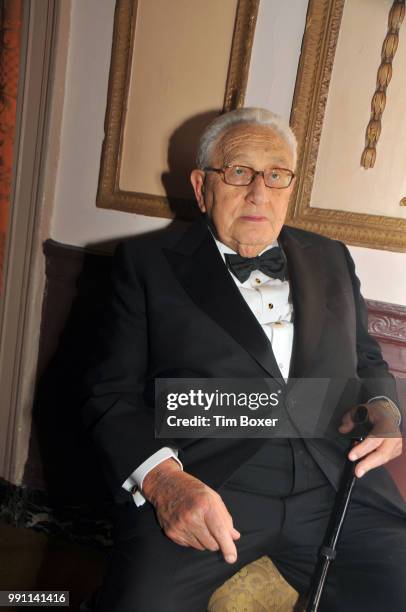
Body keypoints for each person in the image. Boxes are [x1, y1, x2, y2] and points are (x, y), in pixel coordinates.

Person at [81, 108, 406, 611]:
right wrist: (166, 482)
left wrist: (386, 410)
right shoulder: (143, 266)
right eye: (238, 172)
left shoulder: (332, 257)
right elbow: (107, 395)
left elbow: (366, 362)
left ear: (290, 187)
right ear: (200, 185)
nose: (259, 191)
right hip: (210, 483)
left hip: (336, 483)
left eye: (276, 175)